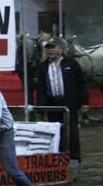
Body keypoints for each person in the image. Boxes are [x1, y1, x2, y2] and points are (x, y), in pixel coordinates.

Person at [35, 36, 88, 164]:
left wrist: (84, 102)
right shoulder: (42, 67)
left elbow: (81, 84)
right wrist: (41, 108)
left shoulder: (72, 64)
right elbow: (41, 89)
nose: (50, 50)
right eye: (48, 48)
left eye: (53, 47)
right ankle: (58, 160)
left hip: (69, 103)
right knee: (55, 131)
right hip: (52, 104)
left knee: (72, 133)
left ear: (61, 49)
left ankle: (74, 159)